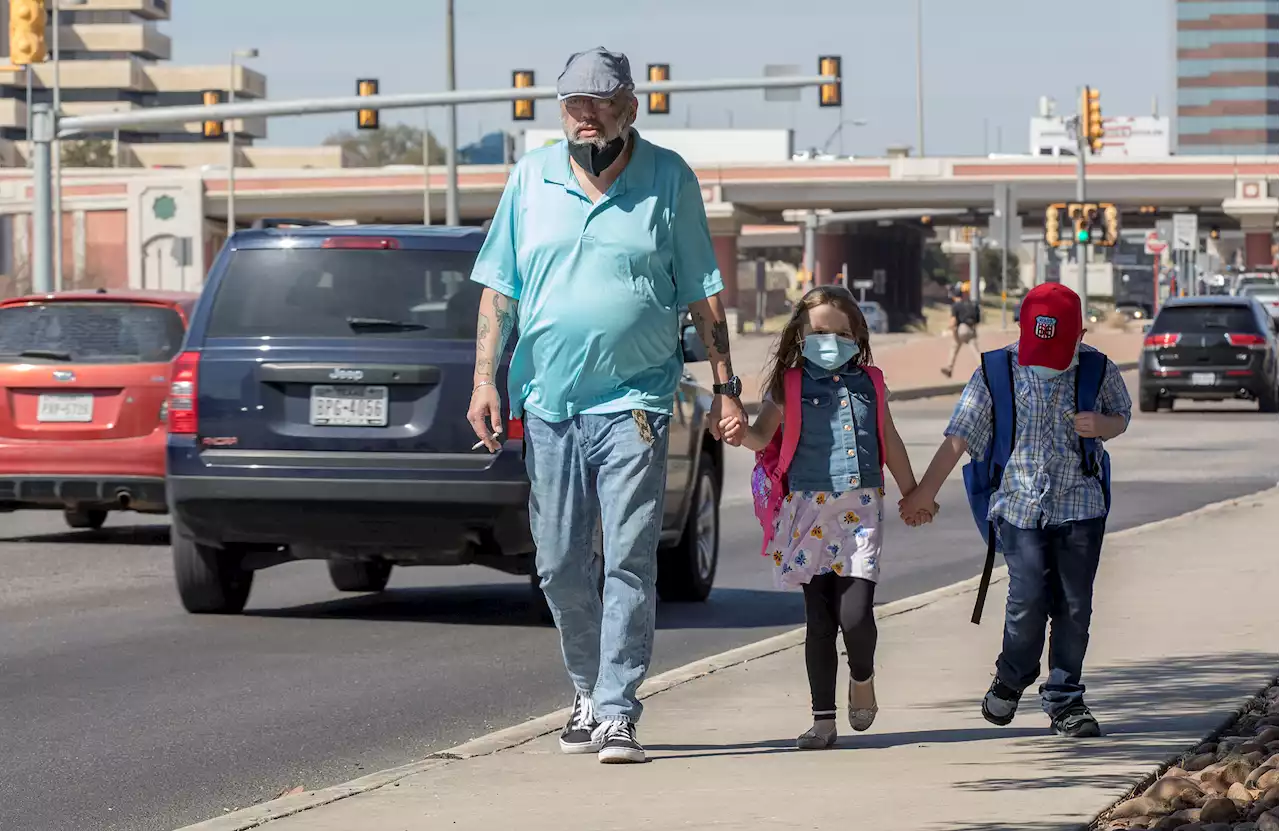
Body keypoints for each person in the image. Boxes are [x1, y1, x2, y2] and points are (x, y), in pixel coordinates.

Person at [465, 46, 746, 765]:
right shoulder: (531, 179)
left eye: (597, 102)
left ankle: (618, 708)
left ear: (629, 105)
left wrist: (727, 386)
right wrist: (484, 381)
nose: (583, 115)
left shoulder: (668, 179)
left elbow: (703, 293)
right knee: (558, 560)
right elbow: (500, 292)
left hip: (637, 402)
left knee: (627, 555)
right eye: (572, 103)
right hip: (551, 403)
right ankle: (587, 687)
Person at [900, 283, 1131, 738]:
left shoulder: (1098, 369)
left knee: (1073, 606)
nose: (1044, 363)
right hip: (1017, 506)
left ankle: (1066, 700)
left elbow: (1121, 414)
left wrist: (1103, 426)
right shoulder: (994, 371)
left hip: (1080, 505)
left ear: (1080, 335)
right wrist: (924, 492)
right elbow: (959, 436)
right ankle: (1011, 676)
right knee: (1026, 600)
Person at [719, 286, 936, 750]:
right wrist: (738, 432)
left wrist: (913, 493)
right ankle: (822, 720)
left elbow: (889, 441)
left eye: (841, 333)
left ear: (857, 335)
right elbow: (762, 437)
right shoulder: (789, 385)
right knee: (819, 621)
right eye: (820, 332)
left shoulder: (872, 383)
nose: (830, 341)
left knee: (855, 615)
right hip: (806, 511)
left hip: (860, 511)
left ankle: (863, 675)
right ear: (800, 333)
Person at [941, 287, 982, 378]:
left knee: (954, 347)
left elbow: (953, 321)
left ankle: (949, 368)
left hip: (962, 329)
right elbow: (978, 319)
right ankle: (985, 368)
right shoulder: (971, 304)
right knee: (975, 350)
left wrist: (951, 329)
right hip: (972, 328)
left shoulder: (956, 305)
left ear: (954, 296)